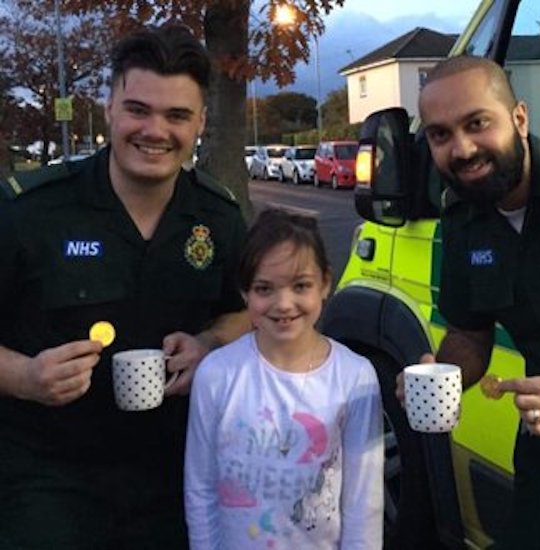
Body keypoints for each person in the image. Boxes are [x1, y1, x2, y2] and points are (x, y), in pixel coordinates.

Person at [0, 25, 249, 549]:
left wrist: (209, 343)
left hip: (178, 474)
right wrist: (24, 376)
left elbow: (245, 312)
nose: (155, 130)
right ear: (109, 108)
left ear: (201, 122)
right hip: (49, 478)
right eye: (138, 109)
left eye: (177, 115)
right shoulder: (30, 212)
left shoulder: (219, 216)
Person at [396, 55, 540, 549]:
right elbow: (470, 334)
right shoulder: (463, 221)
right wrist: (437, 373)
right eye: (441, 135)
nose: (462, 149)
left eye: (477, 123)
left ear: (520, 119)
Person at [185, 208, 385, 549]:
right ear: (245, 293)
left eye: (301, 285)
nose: (284, 303)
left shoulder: (355, 377)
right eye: (264, 288)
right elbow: (200, 486)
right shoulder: (216, 375)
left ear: (325, 283)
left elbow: (363, 502)